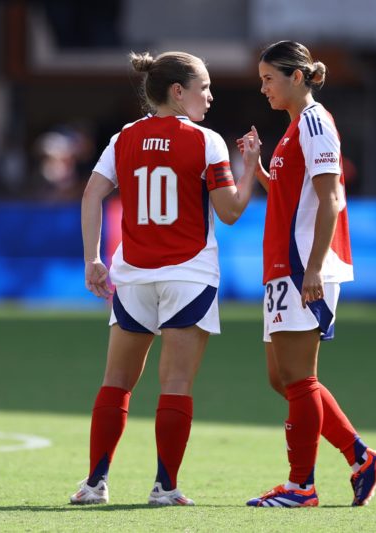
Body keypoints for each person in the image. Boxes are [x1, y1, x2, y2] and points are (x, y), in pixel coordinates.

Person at [71, 50, 260, 506]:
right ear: (178, 92)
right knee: (175, 385)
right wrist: (250, 167)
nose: (210, 97)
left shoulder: (124, 138)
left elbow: (93, 193)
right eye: (204, 88)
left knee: (116, 382)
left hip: (133, 276)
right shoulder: (207, 141)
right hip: (188, 276)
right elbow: (231, 212)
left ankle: (94, 484)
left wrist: (92, 259)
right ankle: (165, 487)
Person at [238, 41, 376, 508]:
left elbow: (331, 200)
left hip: (304, 265)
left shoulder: (314, 123)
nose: (262, 87)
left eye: (269, 78)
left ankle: (301, 485)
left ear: (297, 77)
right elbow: (293, 195)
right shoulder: (293, 129)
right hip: (285, 265)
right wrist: (258, 169)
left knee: (298, 377)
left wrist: (316, 268)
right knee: (282, 377)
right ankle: (361, 458)